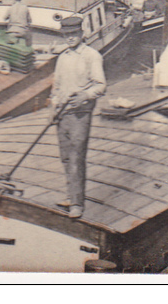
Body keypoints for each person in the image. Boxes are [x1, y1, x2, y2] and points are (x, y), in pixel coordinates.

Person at [50, 15, 105, 219]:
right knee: (66, 157)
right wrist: (53, 109)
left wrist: (85, 96)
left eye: (74, 34)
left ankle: (76, 204)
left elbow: (100, 85)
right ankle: (71, 195)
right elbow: (56, 88)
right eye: (67, 35)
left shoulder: (92, 56)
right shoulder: (62, 57)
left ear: (81, 34)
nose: (70, 38)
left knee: (76, 156)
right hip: (62, 113)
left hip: (80, 114)